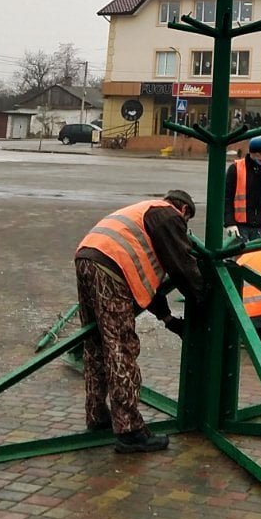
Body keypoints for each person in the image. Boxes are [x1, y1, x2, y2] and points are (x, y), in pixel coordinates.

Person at [74, 188, 206, 453]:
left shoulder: (144, 214)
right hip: (111, 266)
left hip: (87, 257)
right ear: (184, 210)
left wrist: (168, 319)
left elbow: (148, 279)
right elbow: (181, 265)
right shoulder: (168, 215)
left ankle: (97, 415)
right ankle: (130, 431)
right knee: (120, 347)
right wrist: (203, 299)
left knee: (96, 343)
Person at [224, 135, 261, 235]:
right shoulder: (236, 169)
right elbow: (227, 197)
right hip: (240, 227)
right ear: (252, 153)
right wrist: (230, 223)